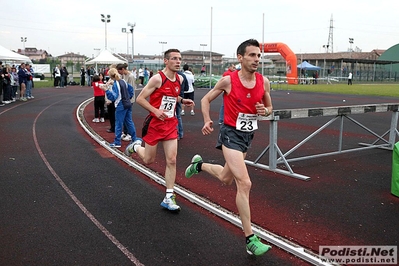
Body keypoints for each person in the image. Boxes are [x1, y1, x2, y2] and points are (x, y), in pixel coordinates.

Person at [184, 39, 273, 256]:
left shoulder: (264, 82)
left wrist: (265, 111)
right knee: (244, 183)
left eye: (258, 56)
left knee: (226, 178)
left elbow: (270, 108)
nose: (256, 60)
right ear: (240, 57)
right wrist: (206, 120)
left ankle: (199, 166)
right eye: (252, 55)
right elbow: (205, 99)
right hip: (230, 134)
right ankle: (250, 239)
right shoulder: (228, 81)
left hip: (246, 136)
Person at [124, 49, 194, 211]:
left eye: (180, 59)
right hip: (154, 124)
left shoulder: (180, 78)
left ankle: (169, 196)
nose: (178, 62)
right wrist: (155, 111)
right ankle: (136, 147)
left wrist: (182, 100)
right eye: (175, 59)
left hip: (170, 124)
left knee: (172, 160)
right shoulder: (157, 79)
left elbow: (171, 96)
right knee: (149, 160)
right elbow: (140, 98)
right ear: (166, 61)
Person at [101, 68, 140, 148]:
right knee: (129, 122)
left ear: (111, 76)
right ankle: (134, 138)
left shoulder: (116, 84)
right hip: (127, 103)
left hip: (120, 104)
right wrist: (128, 98)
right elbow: (131, 89)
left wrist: (106, 90)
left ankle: (117, 142)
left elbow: (113, 97)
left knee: (118, 123)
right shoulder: (123, 81)